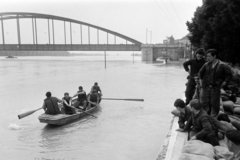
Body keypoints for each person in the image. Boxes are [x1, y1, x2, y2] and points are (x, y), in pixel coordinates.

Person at [199, 49, 232, 118]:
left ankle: (213, 120)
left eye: (209, 56)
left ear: (214, 56)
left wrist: (224, 83)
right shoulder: (206, 64)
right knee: (204, 103)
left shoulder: (222, 65)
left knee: (215, 105)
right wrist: (201, 83)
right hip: (206, 87)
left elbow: (229, 74)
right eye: (206, 56)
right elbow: (200, 73)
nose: (207, 58)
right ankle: (205, 119)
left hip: (215, 88)